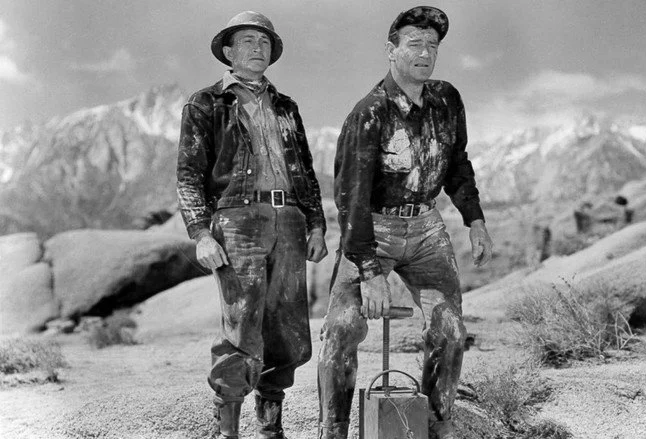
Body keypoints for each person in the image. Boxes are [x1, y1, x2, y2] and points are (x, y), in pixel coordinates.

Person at [316, 6, 493, 439]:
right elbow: (351, 199)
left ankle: (435, 422)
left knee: (450, 330)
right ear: (391, 50)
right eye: (415, 44)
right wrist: (370, 273)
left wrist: (475, 220)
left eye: (432, 45)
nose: (425, 53)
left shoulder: (446, 100)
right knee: (343, 327)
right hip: (372, 231)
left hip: (428, 229)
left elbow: (457, 164)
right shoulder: (369, 113)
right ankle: (332, 429)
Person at [176, 11, 328, 439]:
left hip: (290, 220)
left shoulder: (286, 106)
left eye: (264, 42)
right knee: (242, 325)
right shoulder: (206, 103)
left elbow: (305, 170)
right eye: (247, 41)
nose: (257, 48)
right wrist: (201, 233)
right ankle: (227, 430)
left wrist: (316, 225)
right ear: (228, 51)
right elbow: (188, 174)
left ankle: (270, 428)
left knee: (288, 329)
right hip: (237, 221)